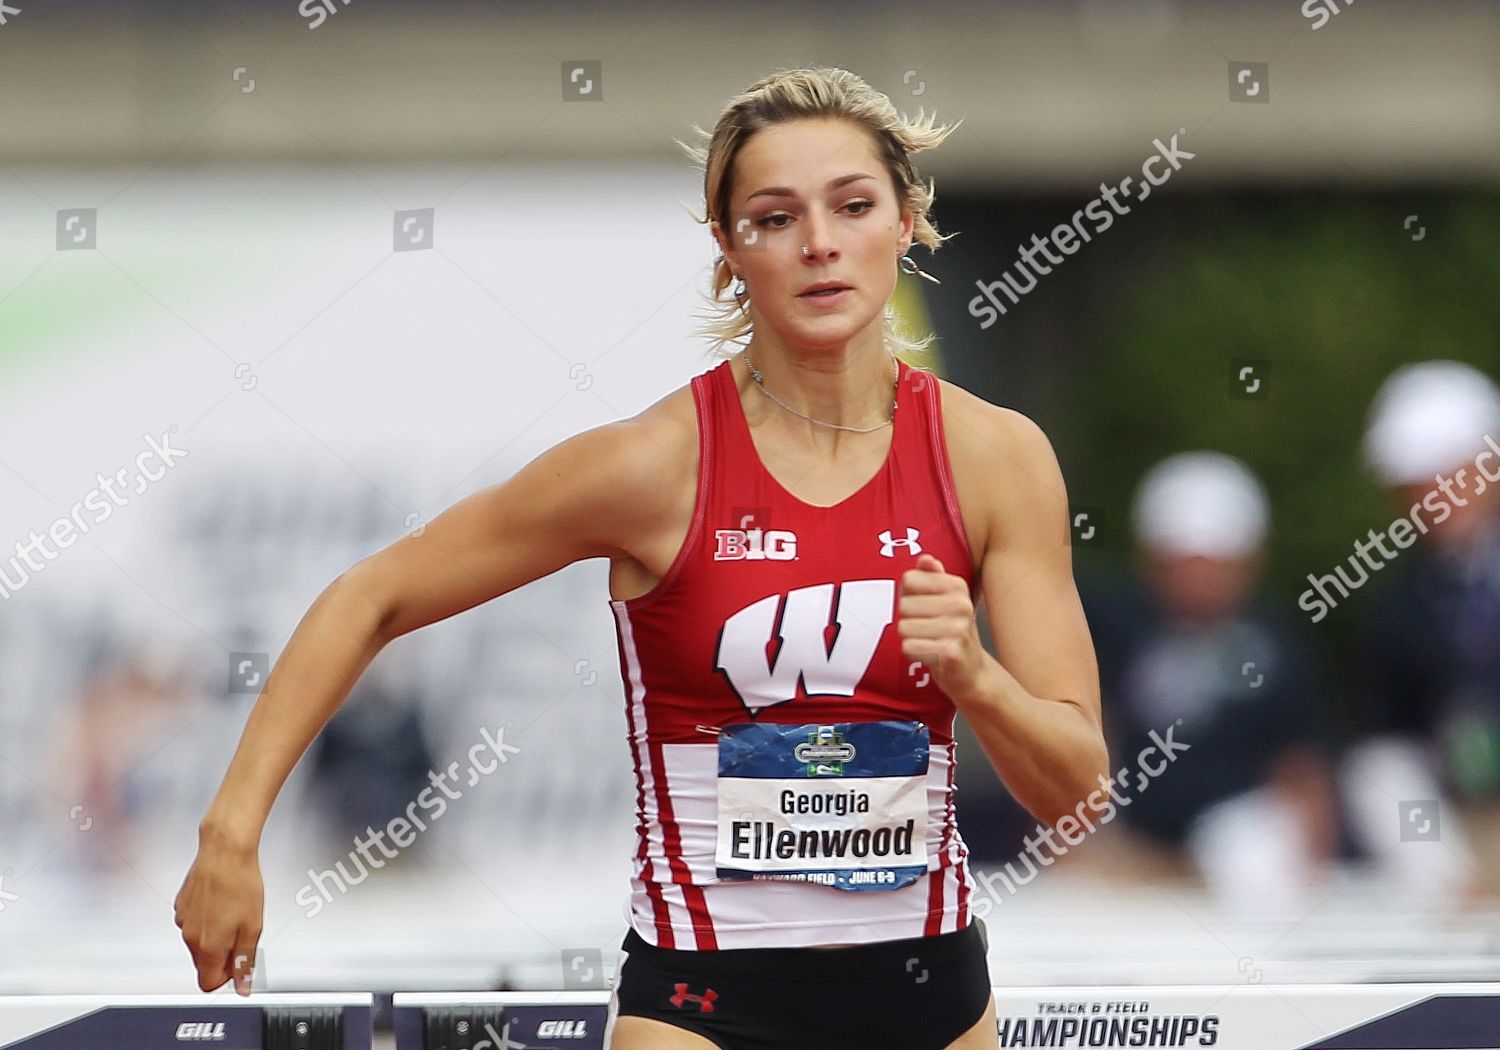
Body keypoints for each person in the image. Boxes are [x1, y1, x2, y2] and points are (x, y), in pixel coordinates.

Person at [173, 66, 1106, 1050]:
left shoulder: (996, 459)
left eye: (854, 205)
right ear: (727, 251)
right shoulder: (653, 466)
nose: (822, 244)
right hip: (705, 997)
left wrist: (977, 680)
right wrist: (230, 832)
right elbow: (375, 595)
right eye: (776, 217)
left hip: (929, 991)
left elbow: (1076, 792)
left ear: (908, 221)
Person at [1081, 452, 1339, 916]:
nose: (1199, 579)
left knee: (1252, 849)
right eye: (1183, 561)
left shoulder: (1279, 640)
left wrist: (1307, 866)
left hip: (1241, 850)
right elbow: (1079, 739)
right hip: (1133, 851)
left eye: (1214, 562)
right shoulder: (1111, 629)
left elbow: (1302, 766)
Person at [1343, 360, 1500, 904]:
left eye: (1445, 474)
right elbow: (1392, 738)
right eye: (1417, 483)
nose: (1431, 497)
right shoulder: (1398, 607)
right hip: (1459, 822)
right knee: (1378, 774)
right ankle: (1466, 912)